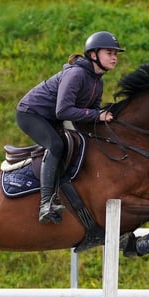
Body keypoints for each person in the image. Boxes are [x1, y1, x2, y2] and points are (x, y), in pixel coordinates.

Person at [16, 31, 124, 223]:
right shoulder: (77, 74)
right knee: (56, 145)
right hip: (30, 114)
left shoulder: (97, 81)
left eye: (116, 54)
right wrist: (97, 115)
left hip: (52, 117)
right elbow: (63, 110)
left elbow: (92, 112)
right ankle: (46, 203)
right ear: (93, 54)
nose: (114, 57)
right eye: (110, 53)